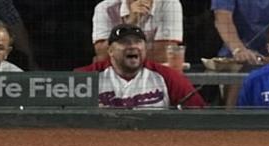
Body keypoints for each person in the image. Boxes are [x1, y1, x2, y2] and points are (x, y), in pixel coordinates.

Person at [75, 24, 207, 109]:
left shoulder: (167, 77)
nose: (132, 46)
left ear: (145, 48)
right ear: (110, 51)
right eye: (124, 42)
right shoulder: (87, 77)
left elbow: (200, 114)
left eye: (137, 42)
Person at [92, 0, 184, 63]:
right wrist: (130, 24)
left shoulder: (170, 4)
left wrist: (119, 53)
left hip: (156, 75)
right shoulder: (104, 8)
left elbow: (165, 54)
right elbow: (103, 55)